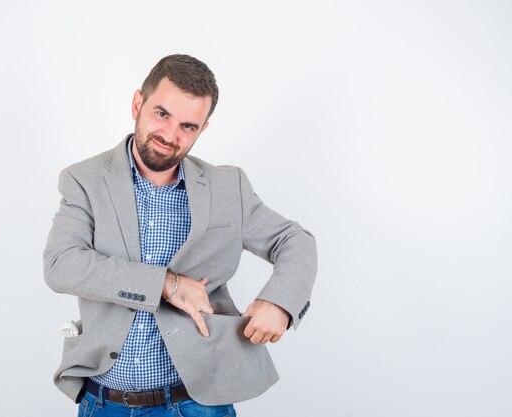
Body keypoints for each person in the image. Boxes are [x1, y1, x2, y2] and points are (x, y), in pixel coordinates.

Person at [43, 54, 317, 416]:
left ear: (203, 129)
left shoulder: (227, 186)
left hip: (197, 403)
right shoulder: (84, 180)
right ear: (138, 103)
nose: (170, 136)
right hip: (105, 403)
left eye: (188, 126)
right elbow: (62, 265)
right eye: (162, 114)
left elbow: (294, 240)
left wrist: (280, 302)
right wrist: (167, 285)